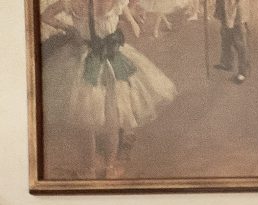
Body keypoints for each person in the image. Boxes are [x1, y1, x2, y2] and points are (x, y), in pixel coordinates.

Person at [39, 0, 178, 179]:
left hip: (83, 60)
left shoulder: (72, 1)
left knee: (85, 117)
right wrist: (130, 21)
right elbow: (134, 28)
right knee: (113, 116)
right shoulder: (115, 1)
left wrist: (68, 27)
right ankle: (110, 167)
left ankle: (89, 168)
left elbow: (46, 15)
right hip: (113, 60)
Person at [214, 0, 247, 83]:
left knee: (239, 41)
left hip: (236, 6)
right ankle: (227, 62)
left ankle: (242, 71)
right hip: (224, 6)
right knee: (225, 36)